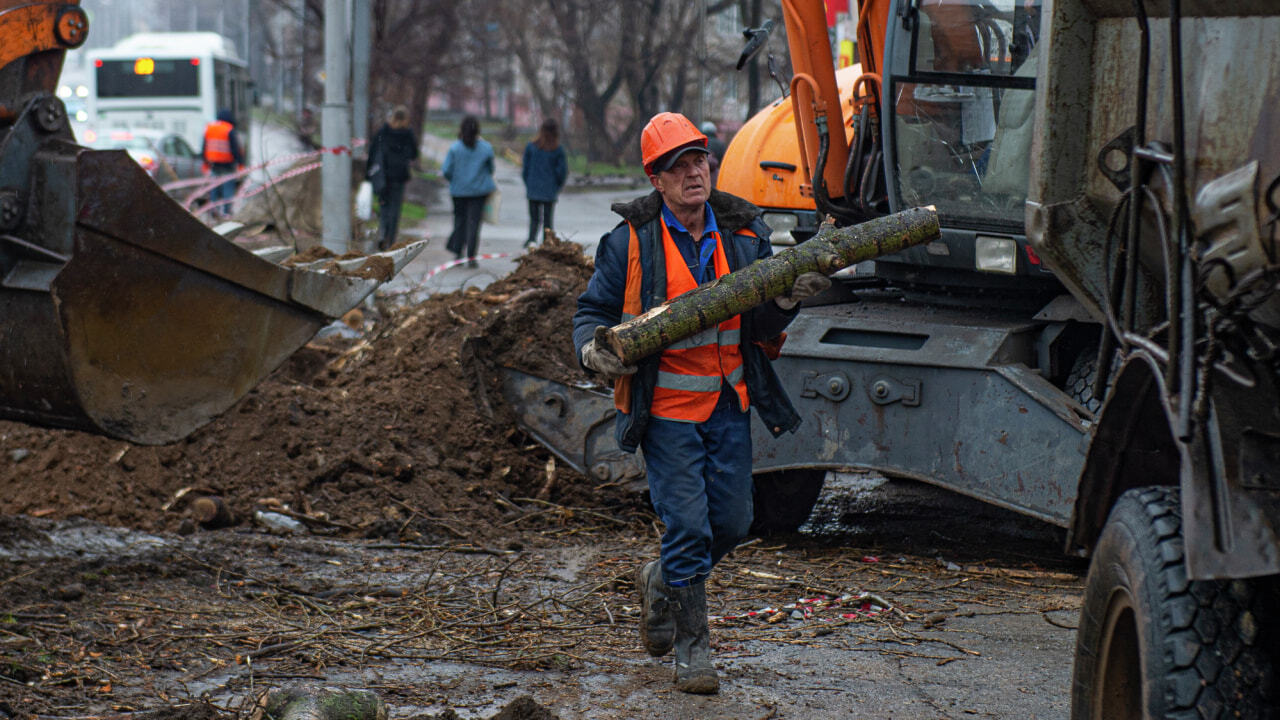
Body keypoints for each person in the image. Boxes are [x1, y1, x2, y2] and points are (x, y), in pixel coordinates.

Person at [572, 111, 830, 695]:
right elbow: (592, 314)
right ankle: (693, 648)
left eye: (699, 159)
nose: (695, 172)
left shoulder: (743, 234)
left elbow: (759, 320)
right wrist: (594, 349)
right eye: (678, 166)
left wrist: (787, 299)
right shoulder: (631, 242)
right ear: (656, 181)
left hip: (727, 405)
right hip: (664, 412)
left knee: (734, 522)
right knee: (688, 524)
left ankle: (661, 580)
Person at [442, 115, 496, 267]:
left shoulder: (455, 148)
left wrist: (455, 179)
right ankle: (471, 257)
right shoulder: (486, 148)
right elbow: (491, 169)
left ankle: (458, 254)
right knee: (474, 224)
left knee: (459, 221)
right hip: (479, 193)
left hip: (458, 191)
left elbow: (446, 170)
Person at [366, 105, 420, 251]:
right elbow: (414, 154)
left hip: (383, 175)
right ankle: (391, 239)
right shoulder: (408, 133)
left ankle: (383, 232)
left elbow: (373, 152)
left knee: (384, 206)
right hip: (399, 176)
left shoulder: (384, 131)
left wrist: (368, 173)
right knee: (395, 209)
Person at [521, 118, 568, 248]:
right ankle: (547, 242)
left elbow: (525, 169)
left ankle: (531, 240)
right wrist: (557, 186)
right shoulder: (557, 150)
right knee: (548, 220)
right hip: (549, 189)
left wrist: (529, 183)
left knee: (534, 218)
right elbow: (562, 172)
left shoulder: (531, 147)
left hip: (533, 187)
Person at [201, 109, 245, 219]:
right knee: (228, 189)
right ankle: (226, 213)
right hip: (227, 166)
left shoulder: (209, 128)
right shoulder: (229, 130)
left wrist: (205, 163)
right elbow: (235, 150)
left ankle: (213, 211)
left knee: (214, 189)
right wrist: (240, 164)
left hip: (214, 165)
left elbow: (204, 147)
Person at [699, 120, 727, 188]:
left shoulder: (699, 143)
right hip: (718, 177)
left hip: (701, 177)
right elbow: (724, 161)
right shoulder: (721, 144)